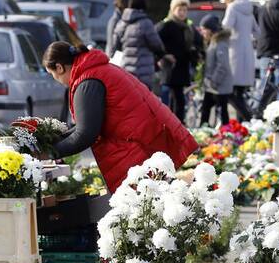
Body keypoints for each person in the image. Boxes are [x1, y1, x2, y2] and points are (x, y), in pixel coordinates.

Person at [44, 42, 197, 192]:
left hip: (136, 147)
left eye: (52, 75)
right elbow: (85, 125)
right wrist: (54, 139)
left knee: (146, 206)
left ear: (59, 67)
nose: (56, 80)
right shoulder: (97, 70)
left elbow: (85, 134)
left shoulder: (87, 81)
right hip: (145, 141)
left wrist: (48, 153)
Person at [110, 0, 166, 90]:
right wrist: (161, 55)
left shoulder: (121, 22)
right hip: (144, 71)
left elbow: (114, 45)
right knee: (144, 99)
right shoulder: (146, 23)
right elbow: (157, 45)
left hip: (126, 69)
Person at [156, 0, 199, 123]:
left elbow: (195, 44)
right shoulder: (166, 25)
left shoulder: (188, 27)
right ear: (173, 10)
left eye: (185, 10)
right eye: (179, 10)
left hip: (183, 66)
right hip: (171, 67)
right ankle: (172, 124)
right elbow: (155, 41)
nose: (182, 13)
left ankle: (177, 124)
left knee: (179, 98)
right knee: (172, 97)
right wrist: (163, 55)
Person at [221, 0, 257, 120]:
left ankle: (247, 118)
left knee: (230, 92)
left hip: (234, 53)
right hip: (247, 53)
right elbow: (257, 31)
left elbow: (226, 28)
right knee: (240, 93)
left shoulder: (232, 8)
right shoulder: (249, 10)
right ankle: (241, 123)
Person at [199, 15, 235, 126]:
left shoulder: (220, 43)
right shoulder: (213, 42)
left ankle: (225, 134)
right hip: (212, 85)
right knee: (206, 110)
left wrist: (214, 81)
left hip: (219, 86)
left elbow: (222, 65)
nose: (202, 32)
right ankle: (203, 131)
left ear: (211, 30)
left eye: (204, 29)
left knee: (222, 112)